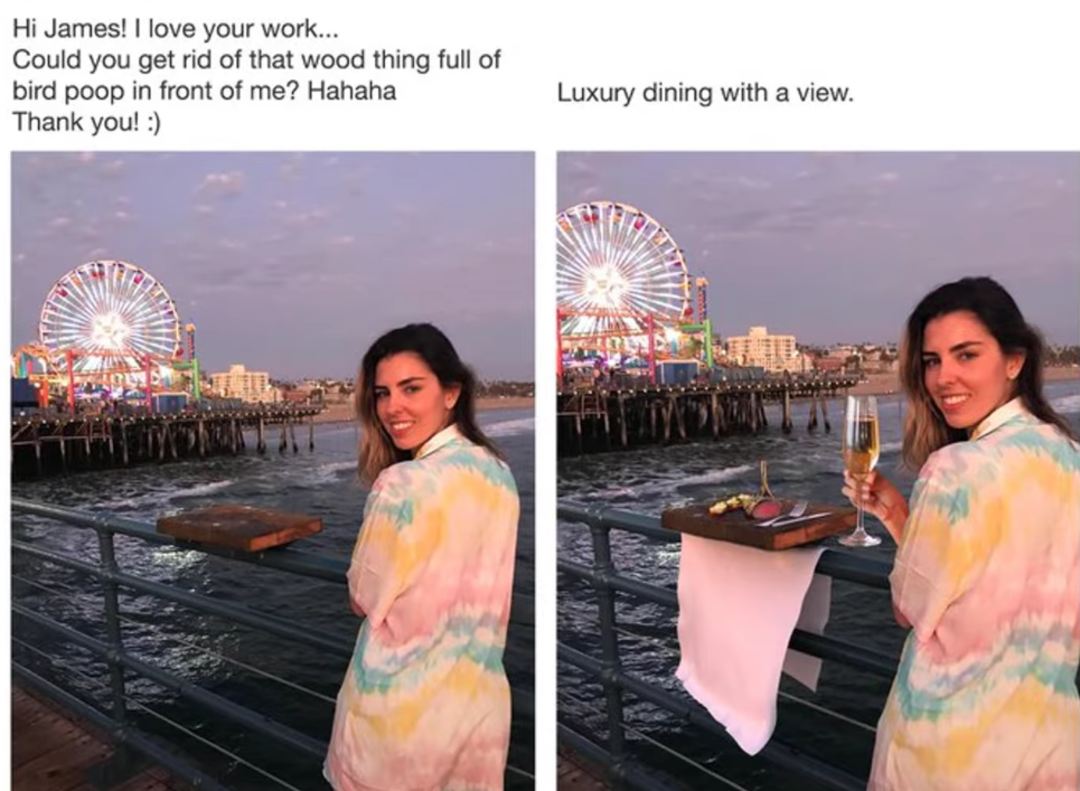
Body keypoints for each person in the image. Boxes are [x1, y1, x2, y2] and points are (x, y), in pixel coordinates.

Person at [842, 276, 1079, 791]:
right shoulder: (1070, 456)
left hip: (947, 750)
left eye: (966, 355)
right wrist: (900, 512)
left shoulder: (954, 469)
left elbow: (910, 609)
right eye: (932, 361)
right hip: (1050, 747)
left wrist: (906, 524)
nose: (944, 377)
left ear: (1014, 360)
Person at [324, 323, 520, 791]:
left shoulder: (401, 484)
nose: (393, 407)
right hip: (477, 716)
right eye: (382, 393)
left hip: (397, 719)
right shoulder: (499, 473)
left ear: (451, 392)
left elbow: (363, 597)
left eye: (411, 388)